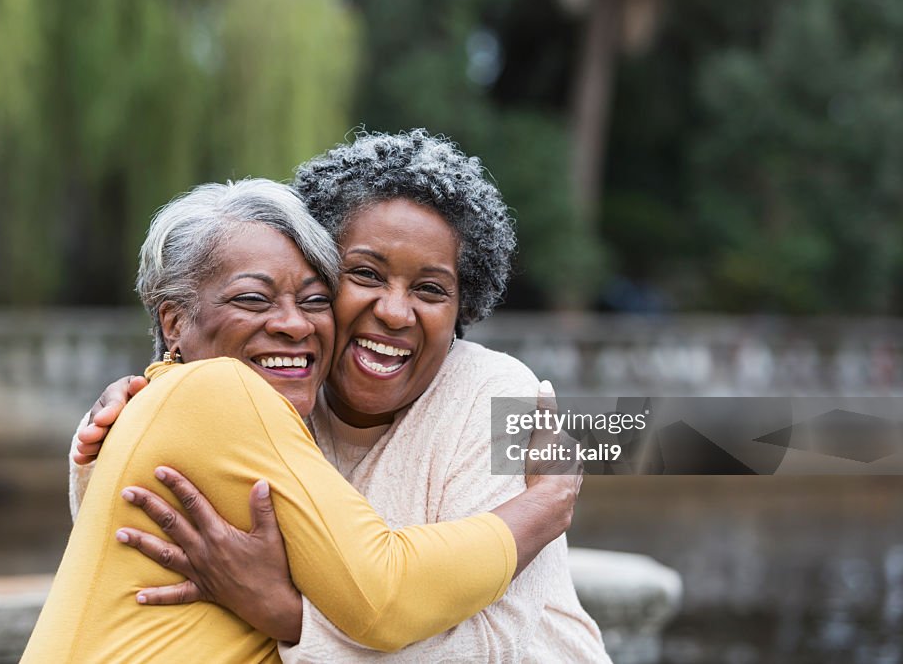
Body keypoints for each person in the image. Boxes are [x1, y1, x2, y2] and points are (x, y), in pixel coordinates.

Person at [74, 131, 610, 662]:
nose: (396, 312)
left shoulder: (503, 395)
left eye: (430, 290)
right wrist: (125, 427)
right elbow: (131, 539)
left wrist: (284, 616)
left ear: (461, 308)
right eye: (365, 274)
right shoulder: (278, 394)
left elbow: (492, 645)